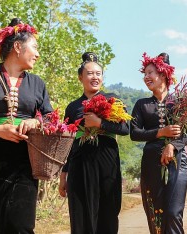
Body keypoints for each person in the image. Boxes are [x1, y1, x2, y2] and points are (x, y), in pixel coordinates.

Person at [0, 18, 53, 233]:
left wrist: (35, 121)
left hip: (25, 162)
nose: (37, 54)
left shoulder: (37, 83)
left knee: (21, 224)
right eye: (35, 47)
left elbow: (49, 118)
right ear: (18, 47)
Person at [58, 52, 129, 234]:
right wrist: (63, 174)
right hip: (79, 165)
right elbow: (67, 142)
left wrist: (100, 123)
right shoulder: (73, 107)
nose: (95, 77)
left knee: (107, 211)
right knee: (80, 213)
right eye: (90, 73)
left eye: (98, 73)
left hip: (107, 163)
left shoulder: (112, 100)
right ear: (80, 77)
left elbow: (125, 129)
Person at [130, 52, 187, 234]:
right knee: (155, 213)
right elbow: (134, 133)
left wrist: (172, 145)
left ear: (164, 75)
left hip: (177, 162)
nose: (146, 77)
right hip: (150, 163)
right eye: (145, 74)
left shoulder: (180, 103)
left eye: (150, 73)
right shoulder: (141, 104)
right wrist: (161, 132)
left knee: (173, 213)